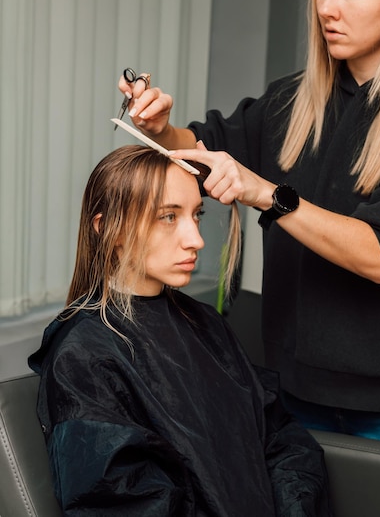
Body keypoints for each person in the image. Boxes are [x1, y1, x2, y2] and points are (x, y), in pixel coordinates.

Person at [118, 0, 380, 445]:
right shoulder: (293, 101)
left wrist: (267, 195)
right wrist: (162, 130)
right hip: (293, 393)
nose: (328, 8)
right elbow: (203, 151)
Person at [28, 145, 332, 516]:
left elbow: (281, 442)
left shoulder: (205, 324)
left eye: (197, 215)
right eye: (168, 217)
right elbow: (125, 501)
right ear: (108, 227)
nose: (197, 240)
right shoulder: (85, 356)